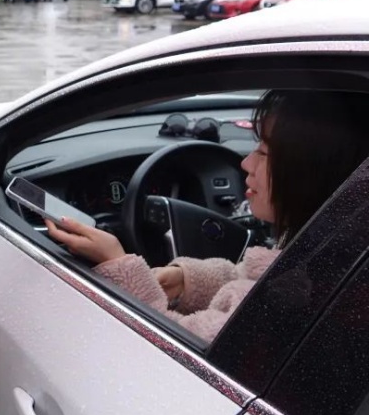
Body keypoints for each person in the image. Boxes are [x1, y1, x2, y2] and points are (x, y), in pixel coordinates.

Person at [47, 89, 369, 342]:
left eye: (263, 153)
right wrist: (185, 281)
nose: (246, 163)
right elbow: (254, 276)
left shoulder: (285, 300)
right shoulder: (327, 257)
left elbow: (174, 346)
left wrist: (119, 264)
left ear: (308, 174)